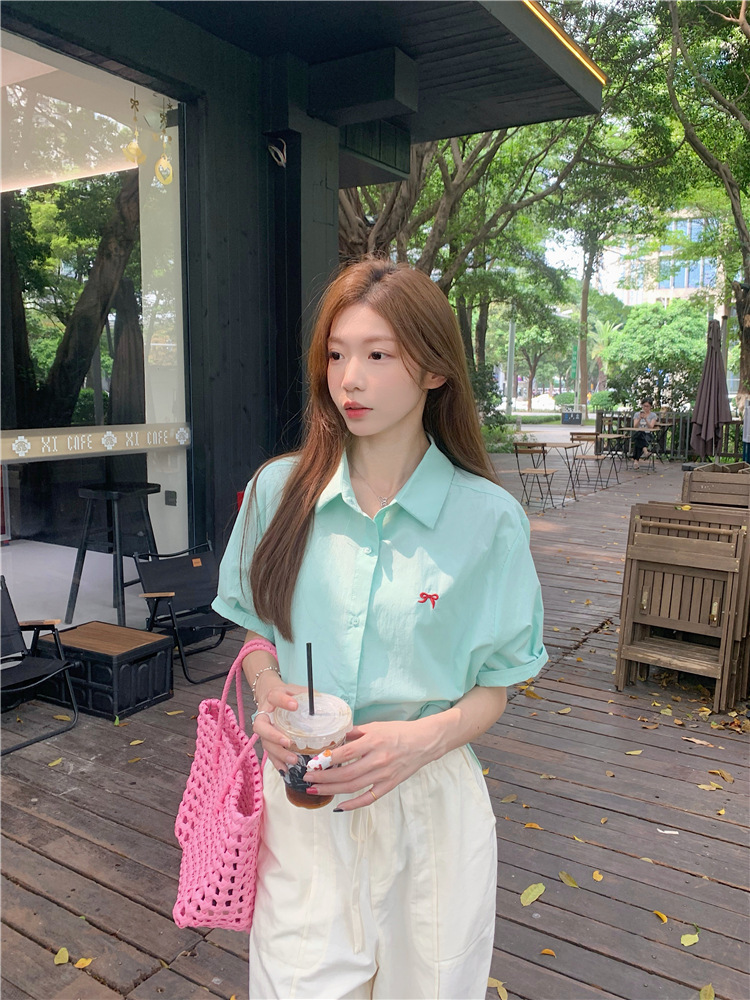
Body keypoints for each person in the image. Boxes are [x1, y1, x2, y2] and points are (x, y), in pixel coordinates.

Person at [213, 259, 547, 1000]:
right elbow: (259, 634)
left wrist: (420, 740)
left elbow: (496, 687)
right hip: (303, 806)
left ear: (434, 369)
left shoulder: (489, 520)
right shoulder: (277, 492)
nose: (350, 380)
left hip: (431, 815)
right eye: (336, 355)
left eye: (377, 355)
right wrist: (269, 698)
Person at [632, 398, 658, 470]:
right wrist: (640, 419)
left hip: (647, 434)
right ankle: (645, 451)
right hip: (638, 433)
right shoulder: (637, 414)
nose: (645, 408)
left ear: (650, 407)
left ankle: (636, 461)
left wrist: (646, 419)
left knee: (638, 440)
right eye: (644, 406)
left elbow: (651, 427)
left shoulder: (653, 415)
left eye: (647, 406)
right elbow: (635, 426)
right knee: (639, 434)